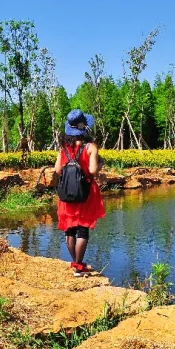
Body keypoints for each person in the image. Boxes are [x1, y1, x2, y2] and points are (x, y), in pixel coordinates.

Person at [55, 109, 105, 277]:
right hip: (86, 193)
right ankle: (78, 266)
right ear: (85, 128)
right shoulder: (90, 147)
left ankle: (77, 264)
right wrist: (101, 164)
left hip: (67, 193)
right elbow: (92, 170)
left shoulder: (64, 148)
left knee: (70, 230)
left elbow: (57, 170)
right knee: (83, 230)